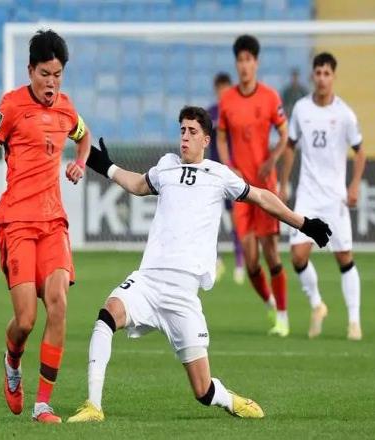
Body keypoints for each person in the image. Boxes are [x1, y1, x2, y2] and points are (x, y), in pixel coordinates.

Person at [67, 106, 331, 423]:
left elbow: (262, 197)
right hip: (148, 281)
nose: (185, 137)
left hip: (183, 293)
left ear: (206, 139)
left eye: (192, 132)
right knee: (107, 315)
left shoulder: (219, 175)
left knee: (203, 391)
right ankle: (93, 406)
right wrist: (102, 164)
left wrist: (303, 223)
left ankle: (231, 400)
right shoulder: (166, 167)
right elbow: (136, 185)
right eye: (182, 131)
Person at [0, 29, 91, 423]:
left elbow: (84, 136)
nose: (52, 83)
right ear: (30, 71)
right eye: (44, 74)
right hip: (17, 222)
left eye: (58, 75)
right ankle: (12, 359)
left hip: (53, 222)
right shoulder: (11, 107)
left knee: (59, 303)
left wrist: (80, 163)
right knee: (25, 320)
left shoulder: (66, 109)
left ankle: (43, 405)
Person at [281, 52, 366, 340]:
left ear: (333, 77)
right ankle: (318, 305)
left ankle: (354, 321)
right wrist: (283, 183)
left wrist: (354, 185)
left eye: (326, 73)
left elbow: (360, 152)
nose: (321, 78)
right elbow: (290, 146)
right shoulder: (301, 109)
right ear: (312, 76)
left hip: (334, 198)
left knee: (344, 257)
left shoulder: (344, 114)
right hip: (307, 195)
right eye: (317, 73)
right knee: (297, 256)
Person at [217, 35, 290, 336]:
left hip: (266, 188)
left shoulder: (270, 97)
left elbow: (284, 134)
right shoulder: (227, 100)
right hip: (240, 189)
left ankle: (283, 317)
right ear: (236, 64)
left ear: (256, 63)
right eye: (240, 60)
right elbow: (221, 137)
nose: (244, 65)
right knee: (250, 262)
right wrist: (228, 165)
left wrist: (273, 159)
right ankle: (271, 302)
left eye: (249, 60)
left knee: (271, 253)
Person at [207, 72, 245, 284]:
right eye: (220, 89)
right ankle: (216, 260)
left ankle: (239, 262)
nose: (223, 93)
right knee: (210, 218)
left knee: (236, 219)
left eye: (226, 89)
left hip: (231, 173)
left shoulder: (237, 111)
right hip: (212, 173)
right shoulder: (210, 113)